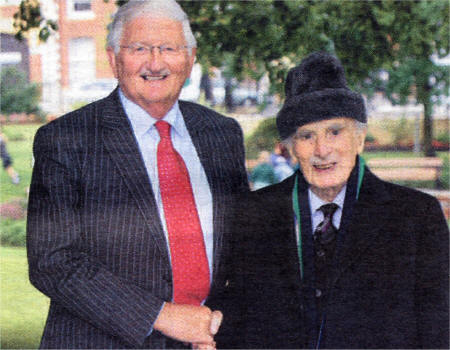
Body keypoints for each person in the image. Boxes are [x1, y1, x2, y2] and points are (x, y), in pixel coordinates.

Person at [26, 1, 248, 349]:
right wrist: (162, 316)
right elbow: (52, 261)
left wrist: (220, 321)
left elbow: (245, 248)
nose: (155, 63)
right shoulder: (67, 140)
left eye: (169, 49)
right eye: (139, 48)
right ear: (114, 59)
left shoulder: (222, 134)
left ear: (190, 59)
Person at [219, 52, 449, 349]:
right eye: (306, 136)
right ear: (290, 149)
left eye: (335, 132)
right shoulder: (254, 214)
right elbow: (238, 322)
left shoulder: (416, 217)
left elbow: (437, 331)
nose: (322, 150)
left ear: (360, 139)